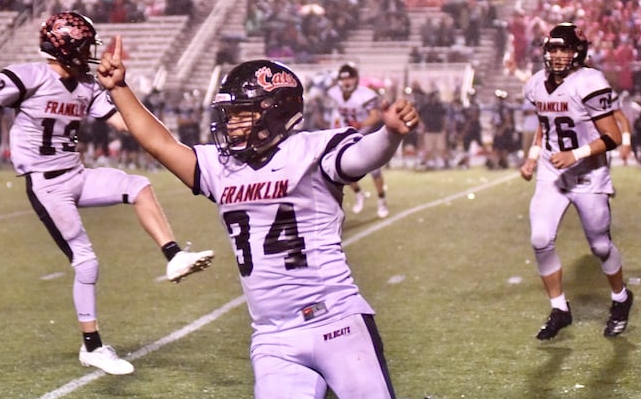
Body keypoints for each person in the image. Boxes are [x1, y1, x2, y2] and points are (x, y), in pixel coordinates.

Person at [97, 48, 419, 398]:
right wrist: (119, 89)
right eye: (229, 114)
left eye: (241, 114)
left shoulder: (310, 151)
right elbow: (160, 145)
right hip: (272, 337)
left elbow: (361, 156)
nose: (230, 123)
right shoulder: (221, 167)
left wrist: (390, 135)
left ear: (276, 111)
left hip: (336, 321)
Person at [0, 12, 214, 375]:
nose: (90, 52)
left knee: (138, 186)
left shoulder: (86, 85)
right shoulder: (28, 76)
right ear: (66, 48)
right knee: (86, 262)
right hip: (47, 183)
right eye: (84, 45)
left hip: (76, 174)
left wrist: (129, 100)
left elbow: (123, 122)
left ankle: (173, 255)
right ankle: (92, 347)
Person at [519, 23, 634, 340]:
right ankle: (560, 309)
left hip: (588, 172)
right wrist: (532, 155)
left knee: (599, 245)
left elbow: (611, 136)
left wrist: (577, 154)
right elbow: (546, 124)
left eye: (565, 49)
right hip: (552, 170)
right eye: (553, 49)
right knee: (541, 238)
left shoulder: (590, 81)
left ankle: (621, 299)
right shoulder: (536, 84)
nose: (558, 55)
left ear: (578, 51)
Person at [325, 63, 390, 218]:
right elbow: (332, 111)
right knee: (344, 167)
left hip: (365, 133)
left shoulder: (365, 94)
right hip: (346, 135)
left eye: (350, 78)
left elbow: (376, 116)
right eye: (343, 79)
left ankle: (382, 200)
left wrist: (361, 124)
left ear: (356, 79)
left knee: (374, 170)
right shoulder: (333, 93)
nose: (346, 82)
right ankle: (359, 193)